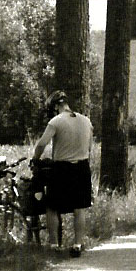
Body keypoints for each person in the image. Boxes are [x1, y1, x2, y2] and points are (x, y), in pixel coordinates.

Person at [33, 89, 94, 257]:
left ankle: (54, 245)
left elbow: (41, 144)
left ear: (54, 107)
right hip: (82, 167)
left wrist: (36, 159)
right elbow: (90, 147)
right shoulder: (86, 121)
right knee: (79, 207)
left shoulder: (56, 121)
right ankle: (77, 244)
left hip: (62, 168)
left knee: (52, 206)